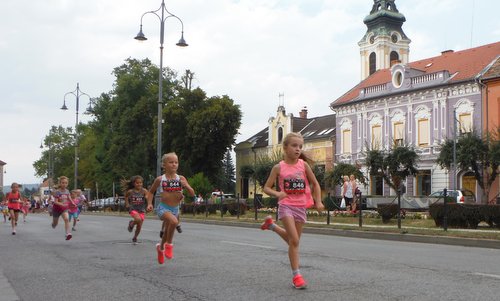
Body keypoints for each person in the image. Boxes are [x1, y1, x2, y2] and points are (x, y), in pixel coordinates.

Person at [261, 132, 324, 289]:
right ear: (285, 147)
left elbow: (315, 184)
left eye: (300, 146)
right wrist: (278, 194)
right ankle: (297, 276)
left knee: (292, 241)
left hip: (300, 206)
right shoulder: (278, 167)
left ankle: (271, 226)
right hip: (286, 205)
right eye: (294, 146)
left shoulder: (303, 165)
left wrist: (319, 201)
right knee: (294, 240)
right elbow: (266, 188)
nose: (298, 149)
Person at [149, 152, 195, 264]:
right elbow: (151, 192)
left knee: (166, 231)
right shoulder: (160, 179)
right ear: (164, 165)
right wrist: (149, 203)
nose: (174, 164)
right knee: (174, 222)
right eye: (171, 162)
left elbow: (192, 194)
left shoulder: (181, 178)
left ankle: (160, 248)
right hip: (163, 208)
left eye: (176, 162)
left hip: (175, 209)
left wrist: (187, 186)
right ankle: (169, 245)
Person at [123, 175, 153, 245]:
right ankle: (132, 224)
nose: (139, 184)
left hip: (141, 210)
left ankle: (135, 237)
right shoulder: (131, 191)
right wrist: (127, 204)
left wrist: (148, 202)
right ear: (134, 184)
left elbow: (148, 197)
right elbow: (126, 196)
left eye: (141, 183)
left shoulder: (144, 191)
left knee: (139, 227)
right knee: (138, 219)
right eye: (137, 183)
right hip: (133, 209)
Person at [51, 176, 74, 240]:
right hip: (56, 209)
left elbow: (69, 198)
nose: (64, 184)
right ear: (60, 183)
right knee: (55, 224)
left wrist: (73, 203)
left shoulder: (67, 191)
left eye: (66, 183)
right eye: (63, 183)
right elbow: (55, 202)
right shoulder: (57, 192)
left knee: (66, 219)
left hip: (64, 209)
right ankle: (53, 224)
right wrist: (61, 204)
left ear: (67, 183)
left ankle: (67, 234)